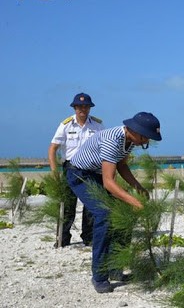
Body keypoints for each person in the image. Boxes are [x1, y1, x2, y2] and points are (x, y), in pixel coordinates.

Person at [66, 112, 162, 293]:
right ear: (134, 130)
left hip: (96, 175)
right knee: (104, 215)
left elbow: (122, 165)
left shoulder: (130, 140)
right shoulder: (112, 139)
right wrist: (135, 201)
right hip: (80, 175)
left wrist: (137, 187)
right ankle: (99, 276)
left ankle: (115, 268)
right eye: (145, 137)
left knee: (123, 213)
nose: (146, 141)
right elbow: (109, 183)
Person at [48, 92, 104, 247]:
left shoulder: (98, 126)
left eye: (86, 106)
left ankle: (89, 237)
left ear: (90, 108)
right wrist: (54, 172)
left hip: (91, 170)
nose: (82, 109)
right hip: (71, 169)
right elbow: (52, 148)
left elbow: (104, 148)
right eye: (79, 106)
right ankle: (62, 239)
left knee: (91, 205)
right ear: (74, 107)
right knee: (67, 205)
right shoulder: (66, 125)